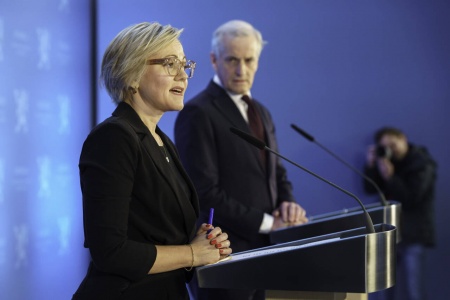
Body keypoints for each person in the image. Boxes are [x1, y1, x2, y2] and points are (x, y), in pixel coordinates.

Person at [72, 22, 232, 300]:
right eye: (170, 64)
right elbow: (110, 252)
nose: (183, 75)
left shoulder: (161, 140)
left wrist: (201, 242)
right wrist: (192, 253)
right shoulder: (113, 138)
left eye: (185, 64)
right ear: (131, 74)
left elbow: (157, 232)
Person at [174, 20, 308, 300]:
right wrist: (270, 222)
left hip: (265, 252)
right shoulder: (198, 113)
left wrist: (289, 202)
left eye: (249, 60)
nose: (241, 70)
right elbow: (203, 193)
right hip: (225, 257)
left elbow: (275, 171)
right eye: (232, 60)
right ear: (213, 60)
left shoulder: (261, 112)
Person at [363, 127, 437, 300]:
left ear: (403, 138)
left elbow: (411, 198)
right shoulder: (386, 162)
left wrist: (390, 176)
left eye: (393, 144)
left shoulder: (422, 163)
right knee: (383, 290)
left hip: (414, 234)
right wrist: (371, 166)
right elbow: (369, 188)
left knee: (414, 290)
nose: (391, 150)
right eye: (385, 146)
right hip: (390, 233)